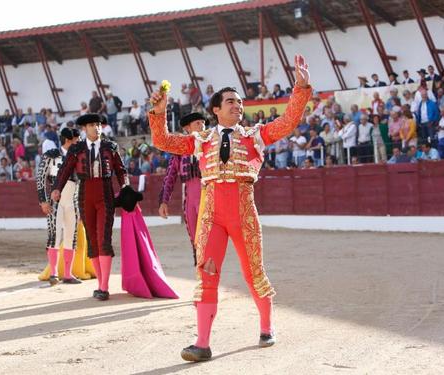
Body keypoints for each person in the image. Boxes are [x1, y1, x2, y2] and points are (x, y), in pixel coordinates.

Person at [148, 54, 311, 362]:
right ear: (216, 109)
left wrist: (300, 88)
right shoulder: (201, 139)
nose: (238, 106)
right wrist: (158, 113)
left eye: (239, 102)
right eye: (231, 102)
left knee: (254, 273)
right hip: (211, 216)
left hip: (243, 212)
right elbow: (163, 141)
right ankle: (202, 343)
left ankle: (266, 328)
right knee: (206, 275)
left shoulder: (255, 135)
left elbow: (288, 122)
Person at [51, 113, 129, 301]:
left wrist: (126, 188)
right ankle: (100, 284)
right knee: (93, 240)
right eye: (92, 125)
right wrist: (56, 188)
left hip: (105, 194)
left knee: (104, 238)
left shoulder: (110, 147)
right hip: (85, 195)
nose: (97, 127)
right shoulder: (76, 149)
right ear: (84, 129)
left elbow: (120, 170)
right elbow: (65, 170)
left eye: (98, 124)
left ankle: (104, 286)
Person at [37, 128, 83, 286]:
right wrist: (43, 201)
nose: (79, 142)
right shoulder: (51, 155)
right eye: (77, 139)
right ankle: (54, 273)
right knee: (54, 236)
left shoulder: (78, 157)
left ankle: (68, 274)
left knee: (71, 237)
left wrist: (81, 207)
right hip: (56, 202)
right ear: (69, 140)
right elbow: (41, 179)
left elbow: (82, 183)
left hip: (73, 202)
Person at [158, 112, 205, 264]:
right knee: (193, 236)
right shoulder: (180, 149)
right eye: (197, 123)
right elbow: (170, 175)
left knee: (207, 235)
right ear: (187, 128)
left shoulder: (211, 145)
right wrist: (164, 201)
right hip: (189, 197)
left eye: (203, 123)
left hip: (207, 194)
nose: (202, 126)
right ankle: (199, 269)